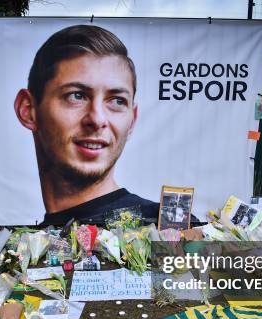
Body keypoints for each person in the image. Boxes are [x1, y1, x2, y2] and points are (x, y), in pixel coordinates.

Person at [14, 24, 159, 225]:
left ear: (132, 120)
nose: (97, 119)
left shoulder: (170, 231)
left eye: (117, 101)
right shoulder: (15, 244)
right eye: (77, 96)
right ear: (28, 109)